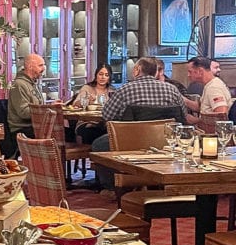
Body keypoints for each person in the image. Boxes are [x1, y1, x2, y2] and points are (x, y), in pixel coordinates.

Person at [91, 56, 191, 191]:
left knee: (98, 144)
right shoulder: (172, 90)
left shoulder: (124, 90)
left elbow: (106, 115)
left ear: (137, 70)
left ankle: (114, 187)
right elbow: (182, 116)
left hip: (131, 142)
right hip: (166, 142)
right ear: (156, 72)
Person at [69, 63, 113, 145]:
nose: (103, 77)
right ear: (96, 76)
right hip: (86, 122)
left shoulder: (112, 91)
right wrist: (86, 99)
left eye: (106, 75)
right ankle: (92, 155)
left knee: (110, 133)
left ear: (109, 77)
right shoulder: (87, 88)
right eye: (100, 74)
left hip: (104, 123)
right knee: (93, 132)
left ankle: (103, 156)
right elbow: (76, 104)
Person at [7, 53, 45, 141]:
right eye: (40, 65)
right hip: (22, 130)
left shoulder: (32, 84)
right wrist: (46, 110)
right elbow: (24, 113)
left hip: (34, 127)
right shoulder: (19, 85)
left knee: (67, 132)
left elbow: (38, 106)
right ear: (30, 66)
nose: (43, 69)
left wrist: (50, 107)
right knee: (59, 135)